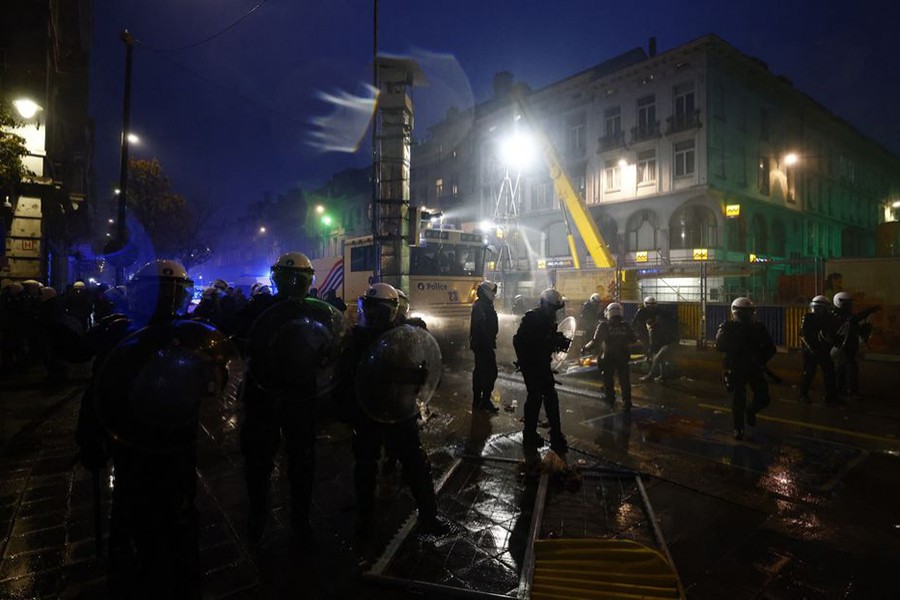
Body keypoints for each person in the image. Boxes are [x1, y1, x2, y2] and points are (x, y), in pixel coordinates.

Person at [76, 259, 232, 598]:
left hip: (141, 442)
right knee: (176, 518)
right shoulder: (190, 333)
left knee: (136, 517)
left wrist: (90, 440)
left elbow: (99, 389)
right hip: (171, 441)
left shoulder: (124, 330)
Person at [338, 283, 448, 535]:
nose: (373, 315)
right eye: (370, 308)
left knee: (415, 463)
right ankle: (366, 518)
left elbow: (420, 366)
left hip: (399, 409)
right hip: (366, 411)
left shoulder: (404, 336)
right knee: (365, 465)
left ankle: (429, 516)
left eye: (380, 310)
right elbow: (344, 376)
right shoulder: (355, 338)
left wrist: (420, 377)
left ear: (392, 311)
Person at [229, 252, 324, 542]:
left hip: (297, 395)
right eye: (288, 279)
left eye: (299, 280)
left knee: (300, 462)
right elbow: (234, 332)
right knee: (260, 462)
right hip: (265, 394)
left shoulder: (316, 311)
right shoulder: (260, 306)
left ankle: (297, 519)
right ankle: (261, 518)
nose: (294, 285)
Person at [513, 288, 571, 470]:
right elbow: (519, 341)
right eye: (552, 308)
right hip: (531, 366)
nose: (554, 312)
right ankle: (529, 435)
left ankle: (555, 435)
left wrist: (557, 339)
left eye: (556, 309)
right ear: (544, 304)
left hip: (542, 365)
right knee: (535, 398)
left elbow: (547, 339)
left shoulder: (548, 320)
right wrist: (527, 362)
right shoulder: (531, 318)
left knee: (551, 398)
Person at [715, 297, 776, 441]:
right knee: (738, 400)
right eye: (744, 312)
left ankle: (751, 410)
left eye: (749, 312)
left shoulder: (758, 327)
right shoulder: (728, 327)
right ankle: (738, 428)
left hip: (754, 368)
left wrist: (760, 360)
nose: (748, 315)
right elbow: (719, 346)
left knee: (763, 397)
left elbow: (771, 348)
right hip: (735, 367)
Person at [582, 302, 636, 410]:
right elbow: (633, 339)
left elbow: (595, 341)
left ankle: (610, 398)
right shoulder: (626, 325)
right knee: (624, 380)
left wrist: (585, 348)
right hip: (623, 356)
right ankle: (627, 402)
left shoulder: (604, 325)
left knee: (608, 378)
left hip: (608, 356)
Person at [830, 292, 879, 400]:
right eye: (847, 303)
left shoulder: (846, 314)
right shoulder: (836, 314)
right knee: (850, 368)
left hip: (849, 345)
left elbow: (855, 325)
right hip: (842, 346)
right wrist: (869, 311)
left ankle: (840, 389)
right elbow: (853, 320)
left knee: (842, 368)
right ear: (840, 303)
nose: (850, 305)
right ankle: (850, 391)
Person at [798, 295, 838, 404]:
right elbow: (803, 334)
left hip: (823, 350)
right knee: (809, 373)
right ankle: (803, 395)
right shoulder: (808, 318)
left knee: (829, 373)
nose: (817, 310)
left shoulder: (828, 319)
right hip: (812, 351)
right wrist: (812, 348)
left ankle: (831, 396)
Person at [470, 281, 500, 414]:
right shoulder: (480, 306)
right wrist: (488, 342)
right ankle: (481, 401)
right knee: (487, 372)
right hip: (482, 344)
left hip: (485, 343)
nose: (494, 294)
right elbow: (481, 326)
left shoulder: (486, 304)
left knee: (484, 372)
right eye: (493, 291)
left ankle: (481, 401)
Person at [640, 311, 679, 382]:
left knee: (656, 358)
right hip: (672, 343)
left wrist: (648, 355)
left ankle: (650, 376)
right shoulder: (659, 326)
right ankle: (663, 375)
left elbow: (652, 344)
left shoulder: (652, 330)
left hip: (669, 344)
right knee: (661, 358)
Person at [632, 296, 658, 361]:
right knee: (646, 343)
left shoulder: (656, 311)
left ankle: (651, 356)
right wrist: (635, 332)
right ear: (646, 305)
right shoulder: (641, 311)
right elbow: (635, 321)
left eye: (653, 306)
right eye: (650, 306)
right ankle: (647, 356)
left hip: (653, 330)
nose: (651, 308)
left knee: (653, 344)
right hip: (643, 330)